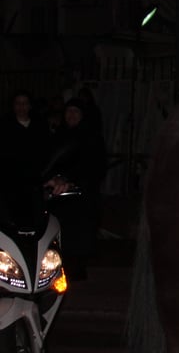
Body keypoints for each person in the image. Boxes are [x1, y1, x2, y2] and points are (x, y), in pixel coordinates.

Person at [43, 98, 108, 280]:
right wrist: (54, 179)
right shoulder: (58, 137)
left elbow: (96, 167)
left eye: (76, 112)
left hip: (82, 197)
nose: (71, 116)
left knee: (79, 236)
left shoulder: (92, 138)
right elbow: (50, 162)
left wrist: (73, 180)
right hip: (59, 197)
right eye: (68, 112)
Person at [0, 90, 54, 219]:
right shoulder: (4, 125)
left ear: (30, 106)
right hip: (11, 179)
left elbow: (46, 150)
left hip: (35, 178)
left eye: (25, 103)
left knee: (34, 213)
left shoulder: (39, 124)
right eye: (18, 103)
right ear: (13, 106)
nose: (21, 107)